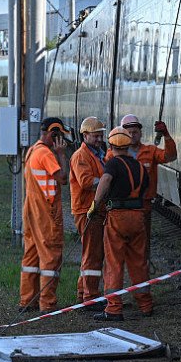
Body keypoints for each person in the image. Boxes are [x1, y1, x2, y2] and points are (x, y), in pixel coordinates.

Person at [88, 126, 152, 320]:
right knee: (138, 262)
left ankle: (114, 308)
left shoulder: (113, 164)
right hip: (138, 216)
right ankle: (145, 304)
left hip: (118, 217)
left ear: (112, 144)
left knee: (114, 262)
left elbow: (105, 182)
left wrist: (94, 205)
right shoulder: (140, 166)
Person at [111, 114, 177, 265]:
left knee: (141, 248)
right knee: (118, 248)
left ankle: (141, 271)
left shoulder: (150, 151)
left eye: (135, 132)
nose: (133, 135)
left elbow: (170, 156)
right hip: (119, 209)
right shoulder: (112, 154)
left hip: (143, 206)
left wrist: (166, 135)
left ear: (140, 133)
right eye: (129, 132)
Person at [20, 117, 71, 312]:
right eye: (59, 137)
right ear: (53, 134)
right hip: (45, 211)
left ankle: (27, 300)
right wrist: (61, 155)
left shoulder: (33, 150)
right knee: (50, 256)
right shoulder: (47, 154)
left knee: (31, 256)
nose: (61, 142)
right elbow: (63, 178)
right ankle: (47, 303)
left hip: (31, 208)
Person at [69, 116, 108, 306]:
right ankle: (90, 298)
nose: (100, 139)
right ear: (85, 135)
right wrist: (107, 182)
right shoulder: (80, 156)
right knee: (92, 255)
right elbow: (85, 181)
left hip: (94, 209)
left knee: (90, 254)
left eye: (101, 135)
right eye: (96, 136)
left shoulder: (98, 153)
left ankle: (83, 294)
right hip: (87, 210)